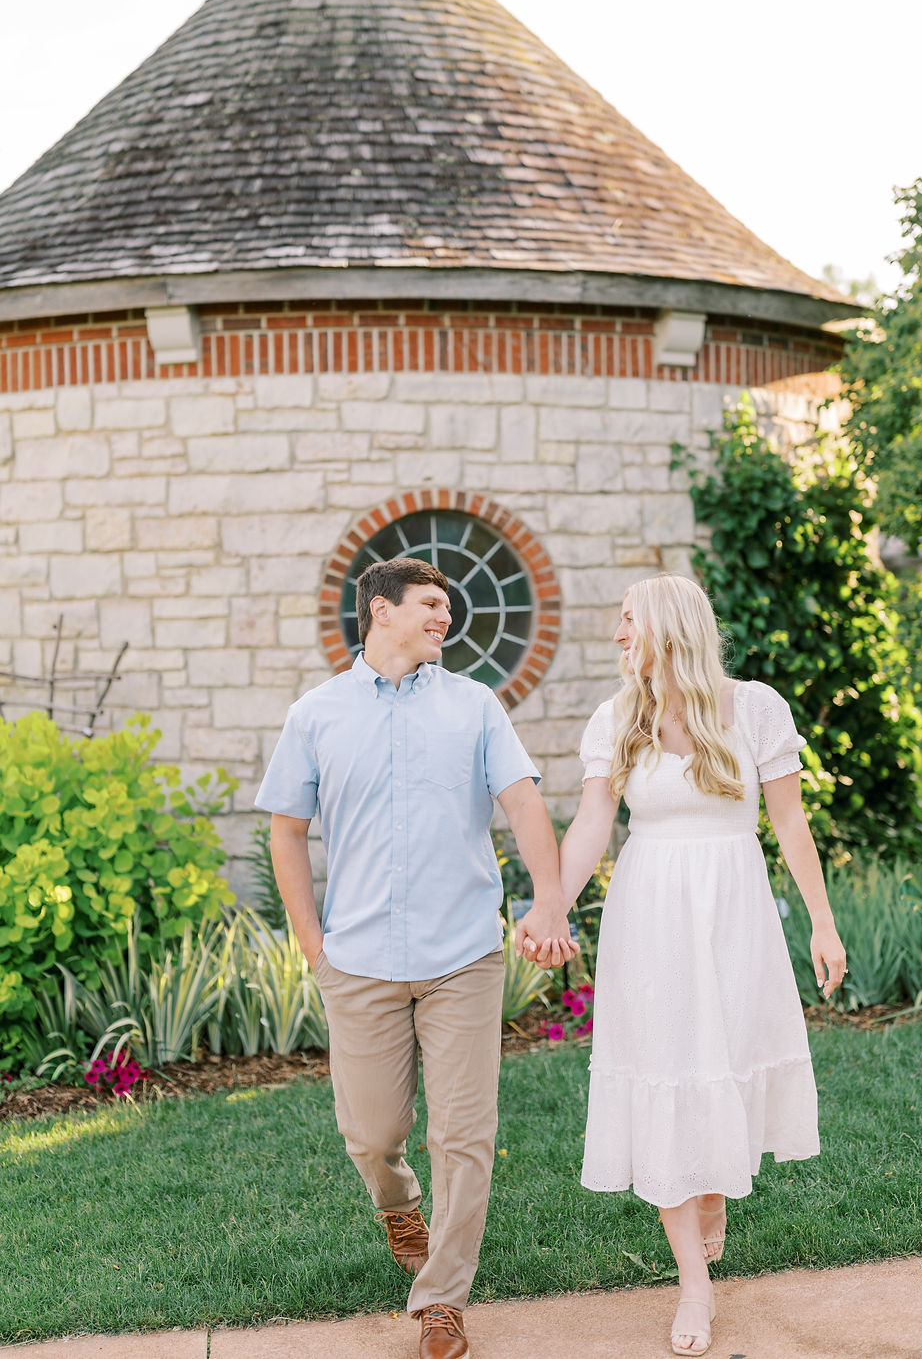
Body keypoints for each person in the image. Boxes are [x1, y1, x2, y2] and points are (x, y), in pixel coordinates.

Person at [255, 556, 575, 1359]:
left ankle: (441, 1297)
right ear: (380, 610)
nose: (445, 617)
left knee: (463, 1135)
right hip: (358, 959)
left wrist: (549, 897)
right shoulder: (317, 714)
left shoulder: (475, 707)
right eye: (431, 604)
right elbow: (285, 830)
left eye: (449, 605)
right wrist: (313, 945)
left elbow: (524, 801)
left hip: (463, 953)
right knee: (373, 1132)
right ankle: (398, 1203)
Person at [522, 575, 846, 1357]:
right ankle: (693, 1282)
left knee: (722, 1058)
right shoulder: (618, 717)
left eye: (628, 620)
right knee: (664, 1061)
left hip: (735, 907)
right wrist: (554, 905)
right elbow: (595, 818)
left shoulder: (757, 706)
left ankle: (710, 1191)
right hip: (653, 912)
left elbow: (790, 821)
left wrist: (823, 923)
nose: (617, 635)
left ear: (668, 624)